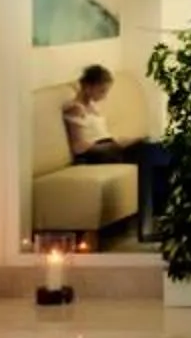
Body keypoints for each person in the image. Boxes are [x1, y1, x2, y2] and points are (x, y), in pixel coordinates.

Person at [61, 64, 171, 241]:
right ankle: (153, 220)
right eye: (102, 91)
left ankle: (159, 216)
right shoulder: (75, 108)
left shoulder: (92, 106)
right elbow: (79, 146)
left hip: (108, 147)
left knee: (154, 150)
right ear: (88, 87)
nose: (104, 96)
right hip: (94, 154)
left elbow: (101, 133)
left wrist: (121, 142)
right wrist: (114, 146)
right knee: (149, 153)